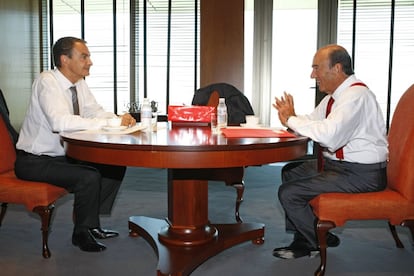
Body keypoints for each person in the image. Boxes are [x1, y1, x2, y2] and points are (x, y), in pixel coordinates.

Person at [15, 36, 136, 252]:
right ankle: (81, 234)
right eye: (84, 56)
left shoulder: (78, 83)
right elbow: (60, 122)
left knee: (114, 166)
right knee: (88, 176)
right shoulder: (47, 82)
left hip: (62, 156)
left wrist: (118, 118)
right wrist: (110, 122)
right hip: (34, 160)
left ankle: (91, 223)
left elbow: (94, 111)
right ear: (64, 59)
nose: (90, 61)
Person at [272, 44, 388, 259]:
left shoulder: (356, 96)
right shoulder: (333, 98)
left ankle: (315, 240)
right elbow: (312, 121)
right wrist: (292, 118)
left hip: (361, 173)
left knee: (289, 193)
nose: (312, 74)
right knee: (291, 172)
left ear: (336, 68)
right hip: (339, 166)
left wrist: (292, 119)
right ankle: (307, 235)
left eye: (316, 68)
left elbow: (329, 136)